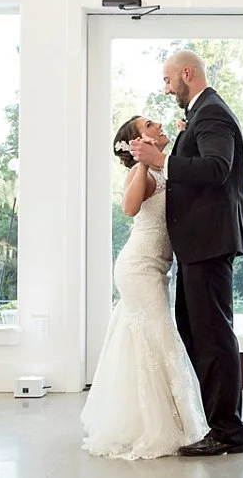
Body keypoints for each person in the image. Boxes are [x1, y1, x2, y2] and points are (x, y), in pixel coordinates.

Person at [130, 49, 243, 456]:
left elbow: (218, 167)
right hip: (197, 246)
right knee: (197, 334)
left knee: (214, 337)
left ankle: (228, 432)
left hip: (209, 243)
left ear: (187, 73)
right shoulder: (201, 114)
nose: (166, 90)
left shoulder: (212, 112)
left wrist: (163, 159)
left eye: (168, 81)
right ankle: (214, 424)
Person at [80, 115, 208, 460]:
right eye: (150, 125)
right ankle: (164, 426)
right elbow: (129, 207)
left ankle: (154, 418)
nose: (159, 126)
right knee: (162, 336)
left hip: (158, 267)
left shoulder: (165, 168)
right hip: (138, 267)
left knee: (142, 340)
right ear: (139, 141)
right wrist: (141, 162)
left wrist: (183, 137)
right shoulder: (142, 173)